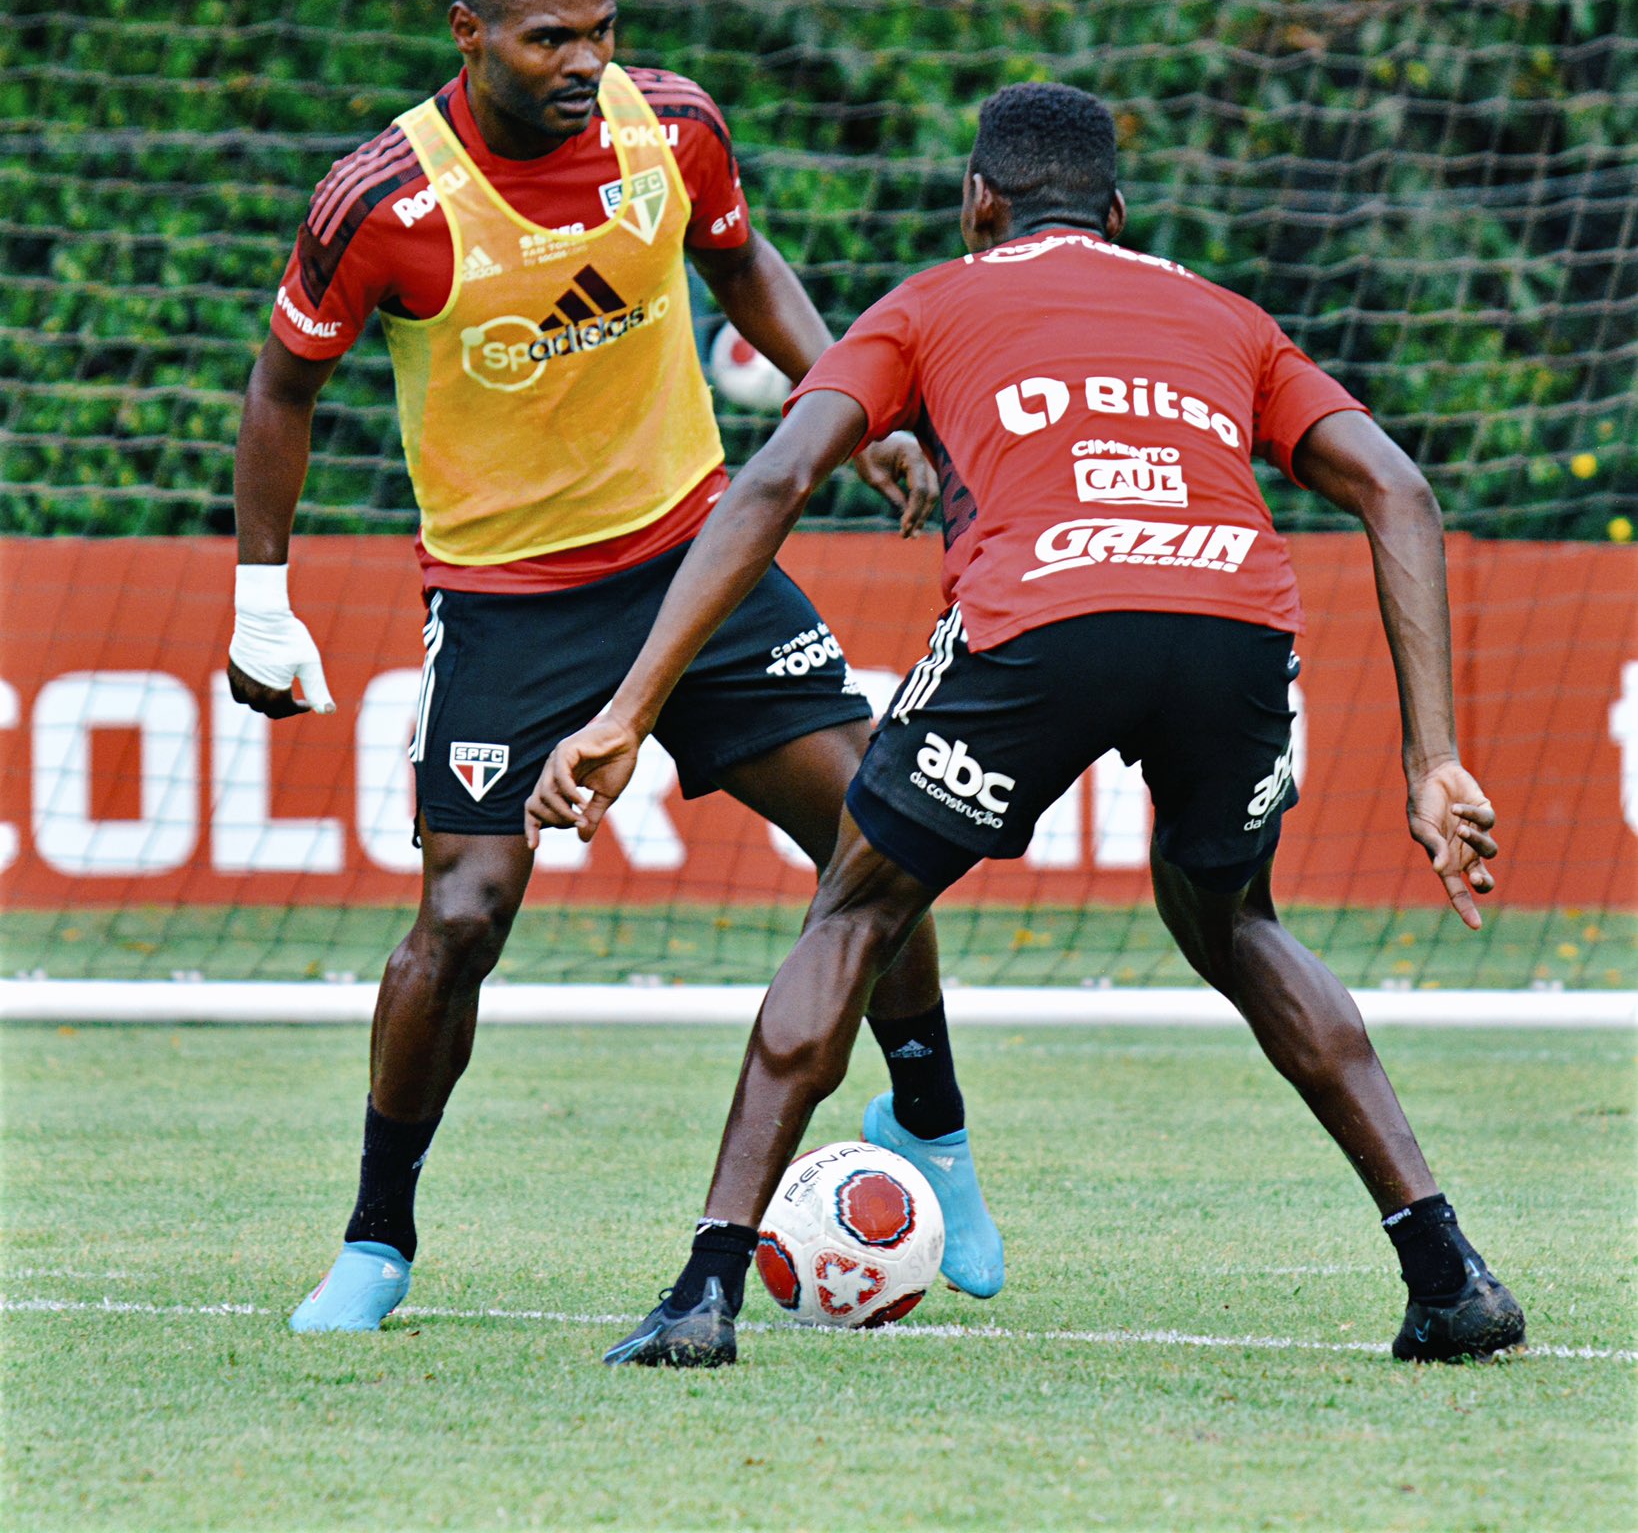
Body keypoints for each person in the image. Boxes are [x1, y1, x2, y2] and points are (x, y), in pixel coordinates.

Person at [529, 80, 1527, 1370]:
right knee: (1235, 921)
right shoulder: (1230, 316)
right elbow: (1396, 485)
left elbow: (777, 475)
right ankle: (1447, 1271)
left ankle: (707, 1290)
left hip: (1042, 619)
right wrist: (1432, 756)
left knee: (858, 908)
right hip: (1231, 620)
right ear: (1116, 214)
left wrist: (628, 706)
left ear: (975, 204)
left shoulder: (934, 299)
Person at [226, 0, 1004, 1334]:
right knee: (461, 913)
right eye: (546, 37)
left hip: (696, 564)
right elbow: (282, 388)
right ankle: (378, 1239)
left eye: (600, 30)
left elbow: (741, 264)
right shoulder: (383, 201)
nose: (583, 61)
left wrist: (861, 407)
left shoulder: (673, 129)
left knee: (876, 833)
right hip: (507, 598)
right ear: (469, 33)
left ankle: (933, 1138)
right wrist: (259, 598)